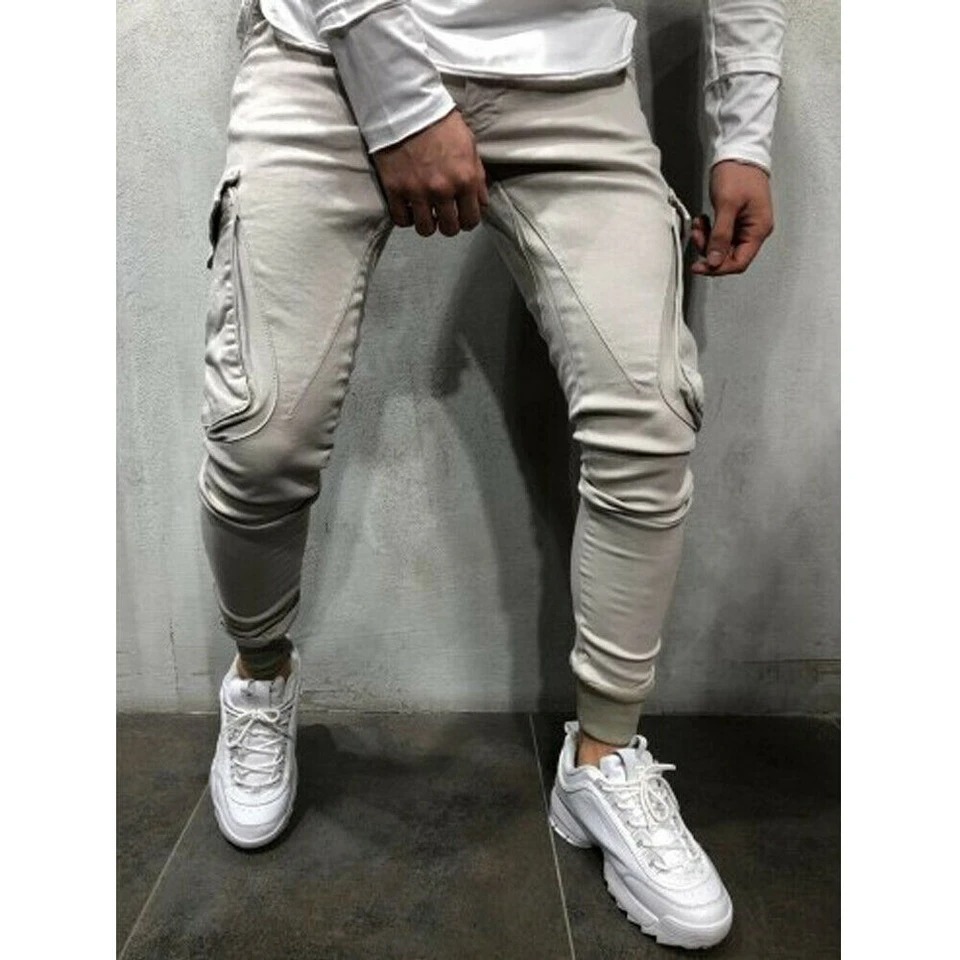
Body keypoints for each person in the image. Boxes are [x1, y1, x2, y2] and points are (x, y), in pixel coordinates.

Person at [200, 0, 784, 949]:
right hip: (329, 55)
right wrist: (400, 99)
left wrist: (744, 134)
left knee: (650, 422)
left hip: (570, 78)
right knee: (263, 434)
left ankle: (601, 758)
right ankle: (260, 677)